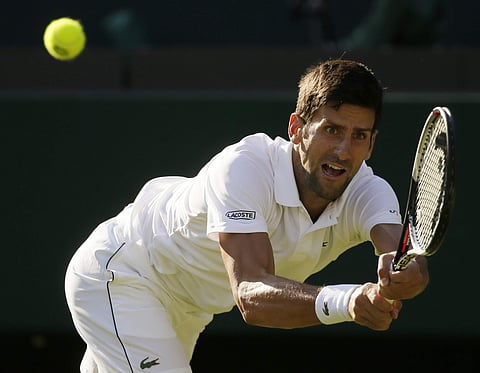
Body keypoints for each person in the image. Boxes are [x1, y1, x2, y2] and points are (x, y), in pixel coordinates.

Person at [65, 59, 429, 372]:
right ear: (297, 130)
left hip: (189, 310)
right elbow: (251, 294)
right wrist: (348, 302)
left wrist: (404, 275)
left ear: (371, 143)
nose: (343, 150)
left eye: (359, 136)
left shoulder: (370, 191)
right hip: (122, 275)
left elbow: (402, 255)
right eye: (331, 129)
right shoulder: (243, 168)